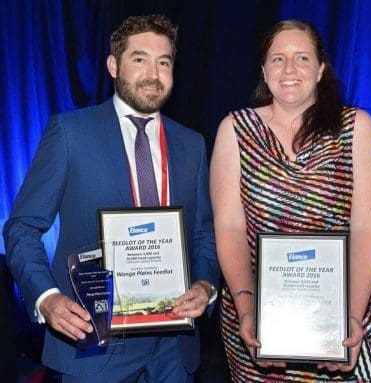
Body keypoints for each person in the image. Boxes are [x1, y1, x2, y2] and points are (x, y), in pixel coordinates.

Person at [3, 14, 219, 383]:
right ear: (113, 65)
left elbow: (202, 235)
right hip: (93, 346)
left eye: (163, 62)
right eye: (140, 59)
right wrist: (47, 299)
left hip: (173, 351)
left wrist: (205, 284)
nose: (153, 73)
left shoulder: (192, 144)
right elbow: (21, 227)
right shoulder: (70, 133)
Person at [210, 19, 371, 382]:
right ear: (263, 69)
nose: (289, 69)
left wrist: (350, 318)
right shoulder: (235, 129)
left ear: (321, 69)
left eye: (302, 57)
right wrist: (247, 309)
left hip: (344, 318)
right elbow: (229, 227)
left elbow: (367, 229)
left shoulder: (357, 127)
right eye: (278, 59)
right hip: (257, 322)